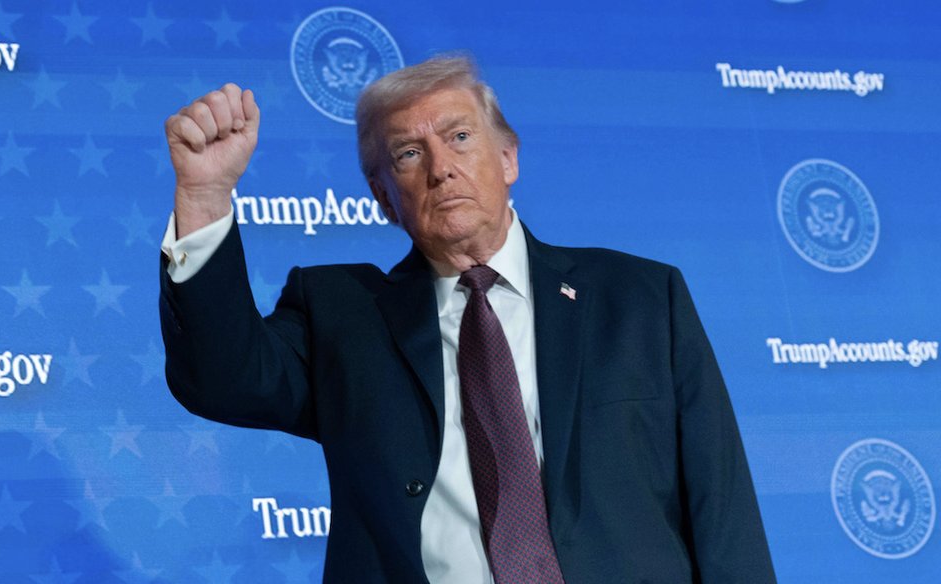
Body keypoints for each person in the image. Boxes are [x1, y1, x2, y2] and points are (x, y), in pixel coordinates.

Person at [159, 55, 777, 583]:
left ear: (508, 158)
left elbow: (721, 506)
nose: (440, 167)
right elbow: (223, 378)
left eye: (459, 137)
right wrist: (204, 196)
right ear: (383, 199)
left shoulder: (640, 297)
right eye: (407, 153)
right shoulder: (343, 314)